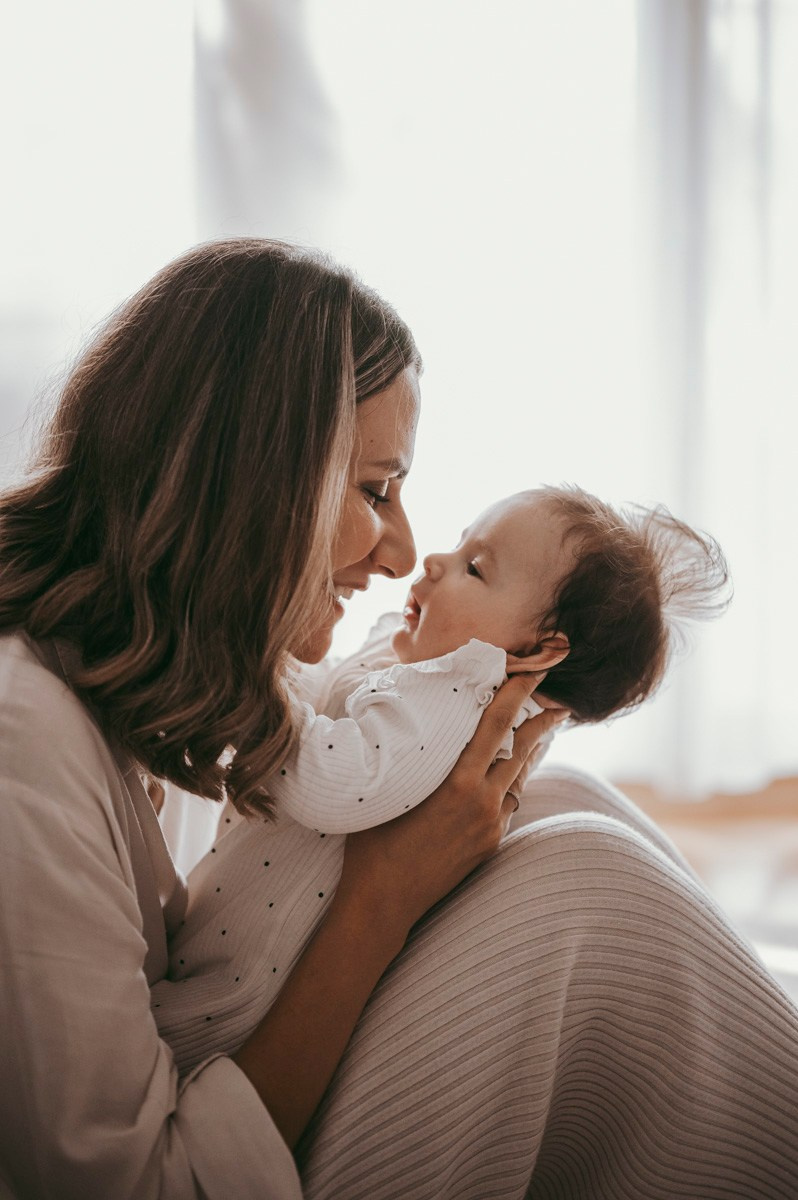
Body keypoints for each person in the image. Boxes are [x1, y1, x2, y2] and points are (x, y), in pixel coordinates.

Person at [0, 240, 794, 1200]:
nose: (404, 553)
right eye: (376, 490)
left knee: (561, 797)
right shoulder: (24, 743)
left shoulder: (131, 662)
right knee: (590, 880)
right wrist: (383, 899)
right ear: (253, 480)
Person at [154, 485, 730, 1076]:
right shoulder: (434, 673)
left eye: (474, 569)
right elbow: (329, 691)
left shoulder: (456, 699)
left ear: (537, 652)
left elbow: (334, 781)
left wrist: (251, 677)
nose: (434, 561)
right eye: (459, 546)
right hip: (215, 956)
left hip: (231, 1002)